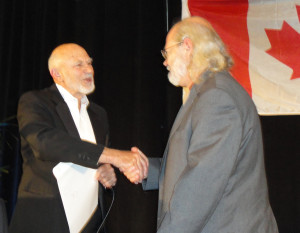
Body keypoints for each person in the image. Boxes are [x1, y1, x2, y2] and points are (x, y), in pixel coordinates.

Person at [137, 16, 278, 233]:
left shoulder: (217, 97)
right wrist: (150, 171)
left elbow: (201, 186)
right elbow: (199, 163)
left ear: (187, 47)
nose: (165, 62)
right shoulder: (210, 91)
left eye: (167, 52)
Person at [9, 43, 148, 233]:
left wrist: (105, 169)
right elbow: (45, 143)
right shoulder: (35, 101)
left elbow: (94, 158)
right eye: (79, 65)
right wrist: (113, 156)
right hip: (46, 220)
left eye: (89, 63)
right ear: (57, 74)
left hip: (90, 223)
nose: (88, 69)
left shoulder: (99, 114)